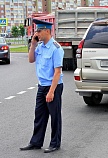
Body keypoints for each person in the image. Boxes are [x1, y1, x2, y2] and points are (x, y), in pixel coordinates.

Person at [20, 19, 64, 153]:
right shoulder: (40, 46)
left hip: (53, 86)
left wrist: (51, 92)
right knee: (39, 115)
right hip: (42, 86)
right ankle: (36, 142)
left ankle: (55, 143)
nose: (36, 33)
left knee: (54, 116)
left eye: (39, 31)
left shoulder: (56, 48)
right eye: (36, 31)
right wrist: (33, 44)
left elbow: (57, 73)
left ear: (47, 31)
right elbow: (31, 59)